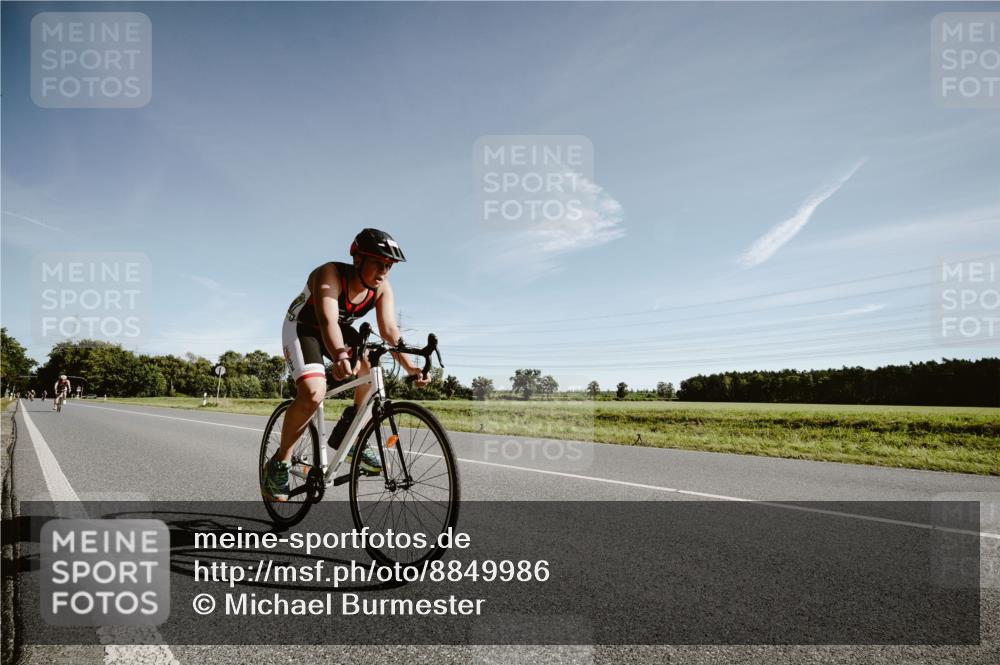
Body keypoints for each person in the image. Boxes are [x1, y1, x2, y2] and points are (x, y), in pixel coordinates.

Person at [262, 229, 430, 501]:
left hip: (337, 330)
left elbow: (389, 330)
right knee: (314, 390)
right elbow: (327, 321)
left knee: (368, 365)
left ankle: (347, 436)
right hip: (303, 327)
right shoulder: (328, 274)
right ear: (358, 260)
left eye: (389, 266)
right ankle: (279, 464)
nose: (384, 271)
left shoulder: (381, 288)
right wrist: (340, 355)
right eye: (378, 263)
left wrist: (412, 368)